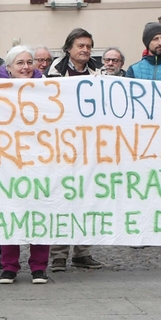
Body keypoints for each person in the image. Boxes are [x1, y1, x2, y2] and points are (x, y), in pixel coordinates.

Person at [0, 46, 51, 284]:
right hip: (7, 162)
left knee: (39, 211)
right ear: (9, 68)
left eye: (29, 62)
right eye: (20, 63)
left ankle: (38, 266)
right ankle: (9, 266)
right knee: (9, 209)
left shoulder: (47, 88)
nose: (26, 67)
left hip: (40, 160)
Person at [44, 28, 103, 269]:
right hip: (59, 144)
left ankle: (82, 251)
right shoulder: (51, 74)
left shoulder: (98, 74)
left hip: (88, 145)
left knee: (87, 198)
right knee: (61, 197)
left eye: (88, 46)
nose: (85, 50)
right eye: (80, 45)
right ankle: (59, 253)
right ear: (69, 48)